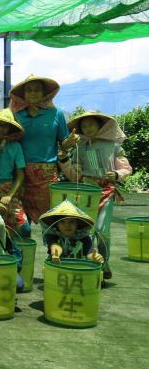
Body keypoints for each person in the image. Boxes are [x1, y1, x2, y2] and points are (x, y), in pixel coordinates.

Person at [59, 111, 132, 279]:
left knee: (102, 230)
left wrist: (116, 174)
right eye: (84, 126)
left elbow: (126, 168)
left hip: (107, 191)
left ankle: (104, 262)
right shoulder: (80, 147)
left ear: (100, 126)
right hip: (85, 191)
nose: (88, 128)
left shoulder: (113, 146)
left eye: (91, 124)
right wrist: (65, 161)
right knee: (85, 229)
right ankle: (87, 262)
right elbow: (74, 174)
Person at [9, 75, 75, 222]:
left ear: (44, 93)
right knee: (19, 221)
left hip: (46, 174)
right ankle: (23, 245)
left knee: (49, 219)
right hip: (19, 172)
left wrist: (68, 143)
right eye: (29, 90)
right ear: (23, 94)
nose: (33, 93)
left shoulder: (56, 113)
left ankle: (52, 245)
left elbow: (63, 142)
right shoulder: (16, 115)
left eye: (37, 90)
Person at [0, 109, 29, 237]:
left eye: (5, 126)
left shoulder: (16, 146)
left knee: (24, 228)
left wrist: (10, 195)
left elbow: (20, 175)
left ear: (10, 128)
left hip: (8, 188)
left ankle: (17, 253)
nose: (1, 129)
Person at [40, 200, 105, 265]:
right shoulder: (52, 236)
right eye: (62, 222)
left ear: (78, 224)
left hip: (77, 269)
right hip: (57, 268)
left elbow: (89, 253)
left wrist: (94, 256)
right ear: (57, 224)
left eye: (72, 222)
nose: (67, 225)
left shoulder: (84, 238)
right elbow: (55, 246)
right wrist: (56, 254)